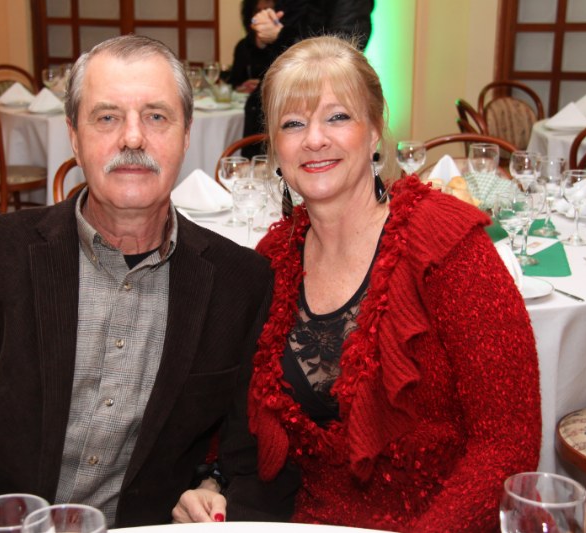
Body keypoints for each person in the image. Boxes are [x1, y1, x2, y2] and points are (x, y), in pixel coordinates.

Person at [0, 35, 298, 532]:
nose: (133, 138)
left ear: (187, 135)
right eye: (107, 117)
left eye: (156, 117)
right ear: (74, 137)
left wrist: (213, 488)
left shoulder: (239, 283)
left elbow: (247, 458)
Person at [173, 36, 541, 532]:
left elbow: (508, 444)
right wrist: (211, 484)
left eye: (338, 117)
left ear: (374, 132)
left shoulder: (448, 246)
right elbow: (243, 418)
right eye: (293, 124)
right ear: (275, 148)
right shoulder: (272, 259)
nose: (314, 139)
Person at [240, 0, 374, 158]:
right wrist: (261, 36)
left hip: (323, 102)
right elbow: (265, 61)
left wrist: (280, 36)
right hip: (276, 104)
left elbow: (342, 50)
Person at [227, 0, 278, 94]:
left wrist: (262, 86)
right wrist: (242, 86)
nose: (261, 16)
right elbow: (233, 82)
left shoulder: (285, 44)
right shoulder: (243, 46)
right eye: (257, 11)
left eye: (267, 10)